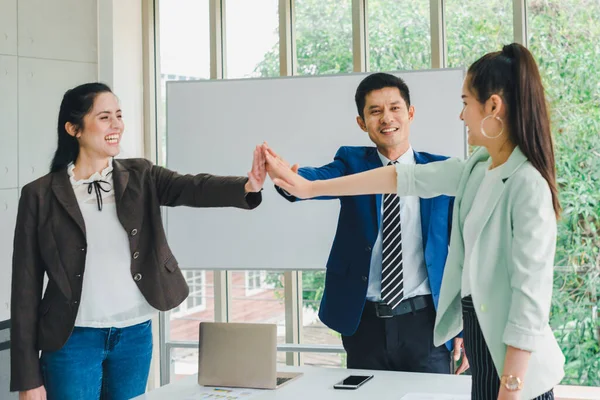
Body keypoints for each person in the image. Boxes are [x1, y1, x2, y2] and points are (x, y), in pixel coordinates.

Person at [264, 43, 564, 400]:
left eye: (466, 102)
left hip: (508, 366)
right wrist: (309, 187)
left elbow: (529, 299)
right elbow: (398, 179)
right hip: (475, 346)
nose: (461, 115)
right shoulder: (476, 169)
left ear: (493, 107)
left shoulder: (526, 183)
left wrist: (511, 388)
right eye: (376, 111)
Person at [11, 82, 266, 400]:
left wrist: (247, 185)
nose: (117, 124)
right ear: (73, 128)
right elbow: (25, 289)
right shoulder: (39, 194)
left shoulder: (141, 175)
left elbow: (193, 187)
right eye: (105, 116)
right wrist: (27, 378)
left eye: (119, 115)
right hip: (71, 341)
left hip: (134, 336)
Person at [267, 72, 468, 375]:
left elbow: (464, 253)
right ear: (362, 122)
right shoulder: (352, 164)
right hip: (365, 324)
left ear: (410, 113)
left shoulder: (441, 170)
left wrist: (462, 324)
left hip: (426, 322)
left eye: (394, 108)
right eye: (375, 111)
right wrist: (289, 179)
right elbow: (318, 180)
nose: (386, 118)